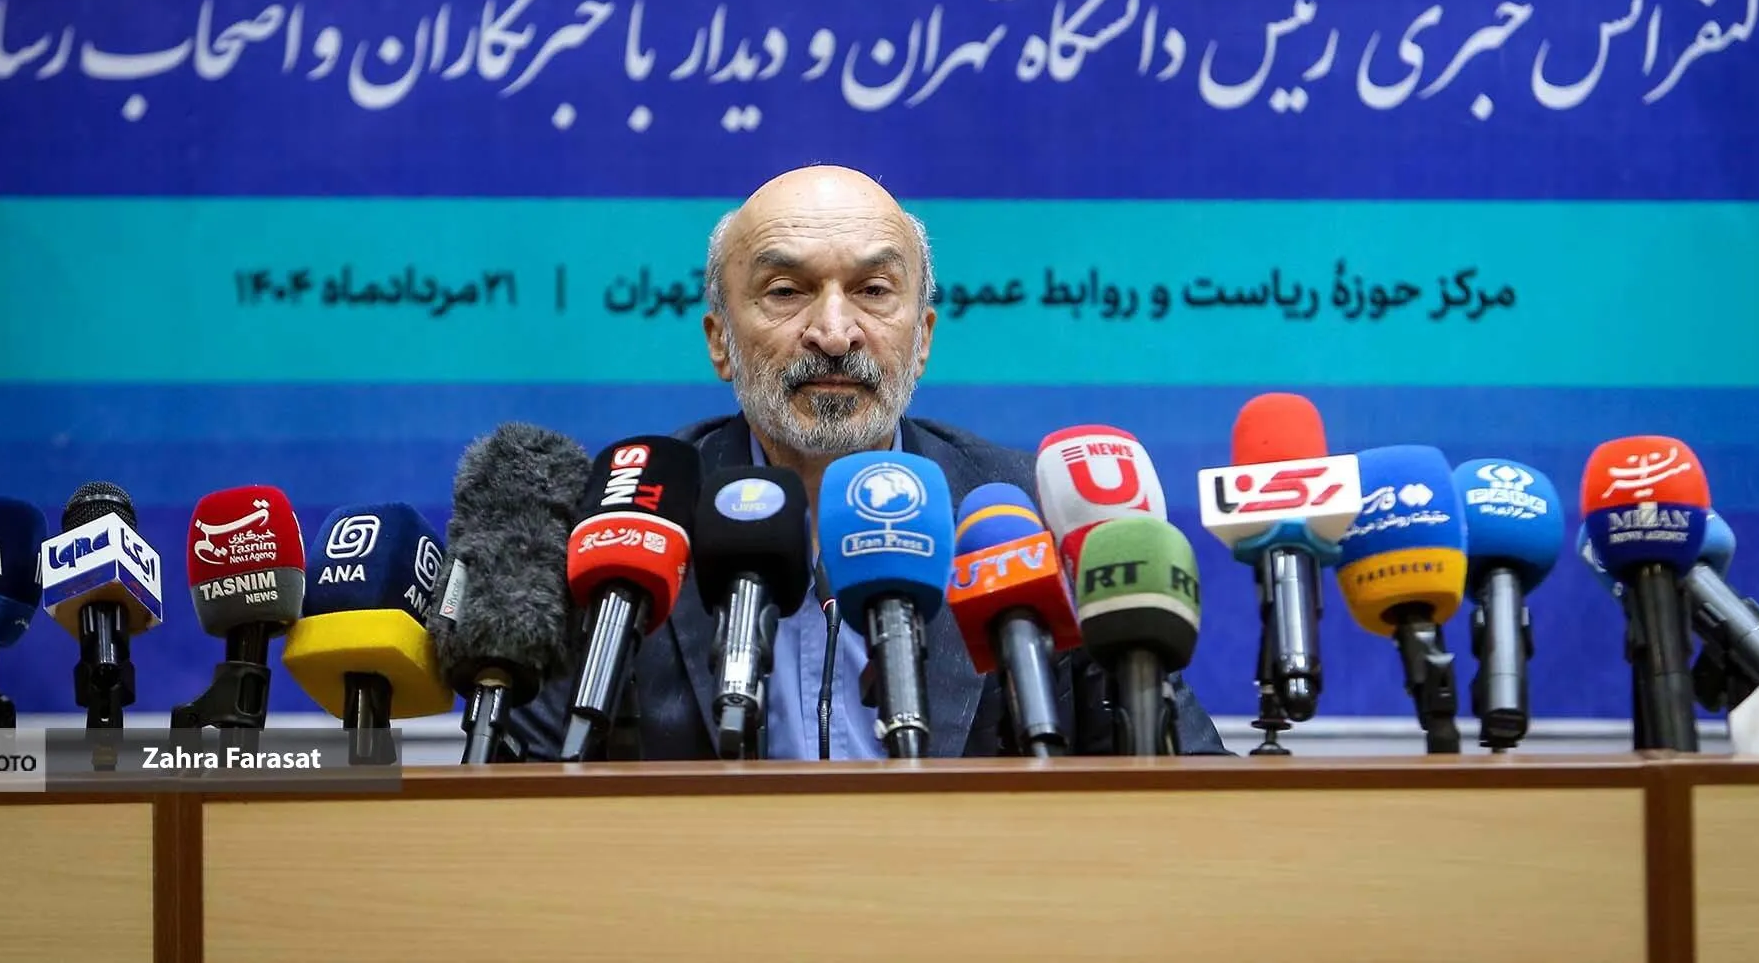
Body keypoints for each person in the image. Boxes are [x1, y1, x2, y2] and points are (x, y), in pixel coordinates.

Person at [507, 165, 1229, 760]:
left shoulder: (1027, 513)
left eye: (874, 291)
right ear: (720, 340)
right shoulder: (623, 519)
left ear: (923, 338)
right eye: (786, 291)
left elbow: (1179, 781)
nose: (832, 332)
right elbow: (521, 795)